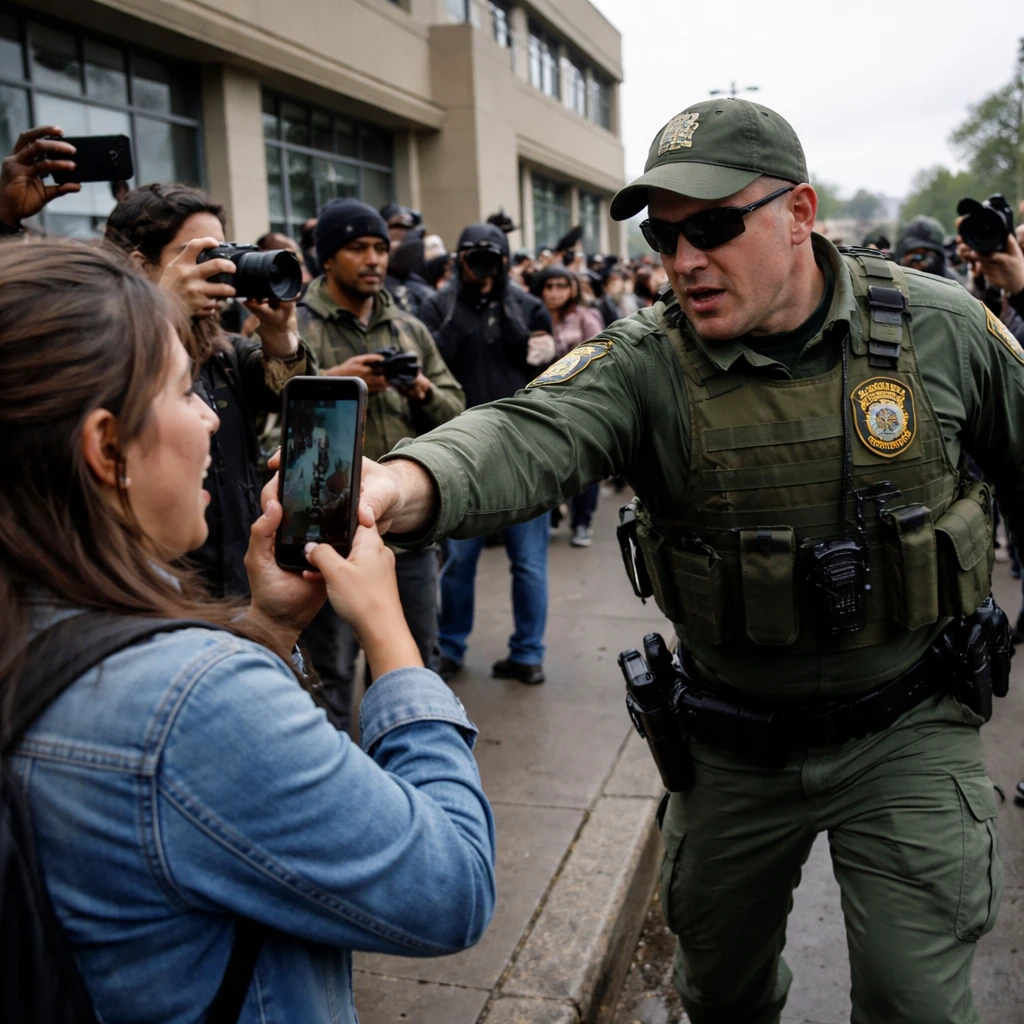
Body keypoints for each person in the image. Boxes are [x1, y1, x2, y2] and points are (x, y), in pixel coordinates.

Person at [356, 98, 1021, 1024]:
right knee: (719, 991)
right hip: (733, 742)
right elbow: (523, 433)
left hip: (908, 726)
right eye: (665, 236)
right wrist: (395, 485)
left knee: (917, 1001)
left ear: (800, 213)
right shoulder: (646, 363)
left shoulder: (940, 332)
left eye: (712, 226)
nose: (683, 261)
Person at [0, 239, 496, 1023]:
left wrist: (267, 624)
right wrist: (390, 638)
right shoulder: (188, 701)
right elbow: (454, 887)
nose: (209, 421)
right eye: (182, 391)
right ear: (104, 447)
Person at [296, 198, 464, 729]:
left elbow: (457, 411)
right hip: (327, 537)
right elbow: (271, 434)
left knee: (413, 664)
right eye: (357, 248)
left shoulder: (409, 327)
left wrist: (418, 388)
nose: (373, 259)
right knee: (331, 675)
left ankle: (407, 781)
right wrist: (334, 386)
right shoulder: (296, 329)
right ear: (327, 258)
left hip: (406, 530)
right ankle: (342, 789)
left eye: (380, 248)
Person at [104, 184, 313, 601]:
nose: (220, 269)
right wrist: (158, 311)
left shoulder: (224, 351)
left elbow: (294, 402)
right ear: (140, 266)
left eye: (224, 253)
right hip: (157, 591)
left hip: (243, 581)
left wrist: (279, 334)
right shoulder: (104, 350)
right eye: (200, 257)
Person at [418, 223, 555, 686]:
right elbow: (436, 358)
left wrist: (503, 300)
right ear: (458, 258)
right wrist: (465, 295)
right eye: (474, 256)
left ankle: (528, 653)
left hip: (524, 450)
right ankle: (451, 647)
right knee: (459, 562)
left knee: (529, 562)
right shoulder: (439, 305)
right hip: (459, 453)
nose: (483, 265)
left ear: (506, 259)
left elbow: (542, 364)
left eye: (492, 257)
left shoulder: (528, 306)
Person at [531, 264, 605, 548]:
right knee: (546, 462)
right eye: (549, 286)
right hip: (541, 400)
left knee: (583, 463)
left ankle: (582, 522)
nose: (554, 293)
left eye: (561, 285)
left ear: (572, 288)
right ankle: (549, 516)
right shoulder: (532, 314)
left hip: (580, 399)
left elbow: (599, 352)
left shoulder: (586, 316)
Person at [894, 215, 961, 280]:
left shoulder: (951, 282)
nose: (921, 263)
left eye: (925, 253)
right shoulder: (896, 277)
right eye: (915, 253)